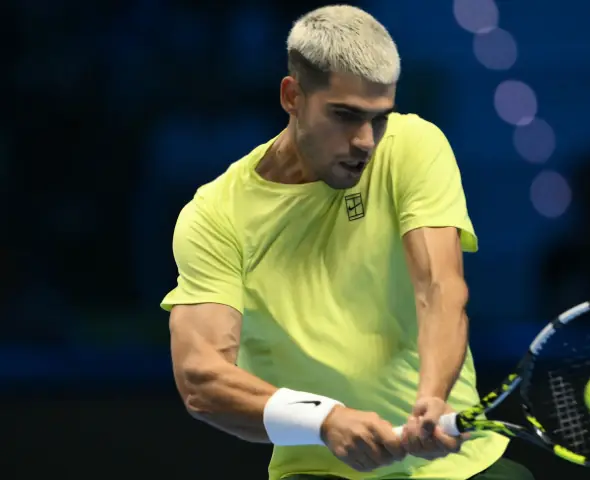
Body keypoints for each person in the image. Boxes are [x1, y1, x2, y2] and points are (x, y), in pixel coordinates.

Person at [162, 5, 533, 479]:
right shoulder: (215, 215)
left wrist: (432, 395)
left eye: (379, 119)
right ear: (292, 96)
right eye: (345, 115)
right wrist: (324, 420)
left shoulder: (412, 146)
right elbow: (202, 378)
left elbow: (440, 287)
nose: (366, 142)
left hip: (461, 468)